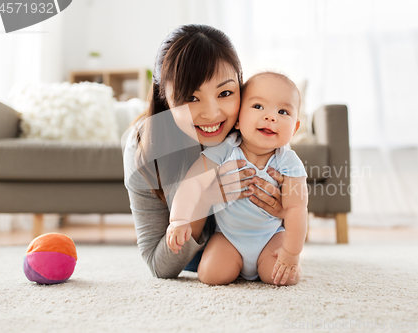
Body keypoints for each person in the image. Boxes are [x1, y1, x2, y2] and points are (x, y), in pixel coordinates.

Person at [122, 24, 286, 279]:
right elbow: (159, 266)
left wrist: (284, 209)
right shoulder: (143, 147)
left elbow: (292, 220)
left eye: (225, 93)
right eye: (191, 97)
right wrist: (204, 200)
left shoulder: (259, 127)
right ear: (164, 97)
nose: (211, 113)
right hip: (197, 261)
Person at [167, 72, 308, 286]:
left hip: (270, 236)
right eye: (258, 107)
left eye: (283, 111)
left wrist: (291, 252)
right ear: (238, 119)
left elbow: (297, 208)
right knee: (211, 275)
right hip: (228, 237)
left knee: (283, 277)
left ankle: (274, 262)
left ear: (295, 128)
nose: (271, 117)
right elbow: (193, 182)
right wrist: (179, 219)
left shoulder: (288, 161)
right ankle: (236, 264)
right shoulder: (225, 150)